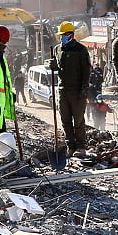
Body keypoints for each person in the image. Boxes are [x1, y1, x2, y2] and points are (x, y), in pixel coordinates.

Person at [50, 21, 91, 157]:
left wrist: (84, 89)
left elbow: (86, 71)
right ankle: (70, 147)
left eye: (64, 35)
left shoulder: (81, 50)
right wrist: (53, 66)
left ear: (71, 35)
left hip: (77, 90)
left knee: (78, 120)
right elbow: (59, 68)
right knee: (65, 120)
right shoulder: (57, 49)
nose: (62, 37)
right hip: (63, 90)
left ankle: (80, 147)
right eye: (61, 35)